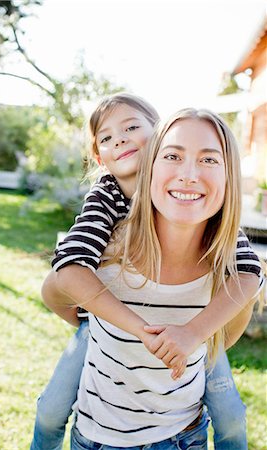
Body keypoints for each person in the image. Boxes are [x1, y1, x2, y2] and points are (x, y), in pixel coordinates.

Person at [30, 94, 262, 450]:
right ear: (98, 157)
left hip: (189, 361)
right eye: (105, 138)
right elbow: (68, 270)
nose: (119, 140)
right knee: (51, 410)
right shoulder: (106, 198)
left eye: (131, 128)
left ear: (155, 136)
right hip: (102, 319)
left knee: (231, 416)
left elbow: (249, 273)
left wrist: (195, 334)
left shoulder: (215, 225)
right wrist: (99, 320)